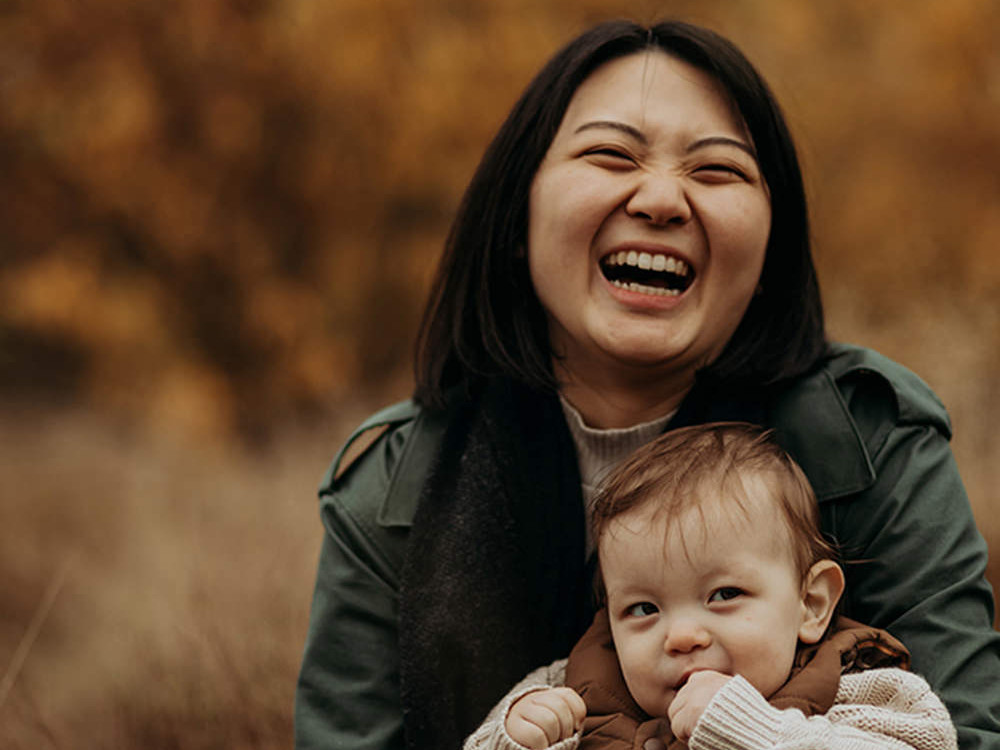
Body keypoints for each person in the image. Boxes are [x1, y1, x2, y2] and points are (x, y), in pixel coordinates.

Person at [294, 19, 1000, 750]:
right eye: (609, 155)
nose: (661, 199)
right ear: (517, 209)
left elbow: (970, 732)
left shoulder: (870, 437)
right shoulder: (393, 488)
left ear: (771, 242)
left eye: (717, 170)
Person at [466, 423, 958, 750]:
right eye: (642, 608)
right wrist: (514, 735)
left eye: (724, 595)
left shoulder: (864, 693)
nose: (680, 636)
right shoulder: (571, 690)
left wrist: (750, 729)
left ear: (811, 603)